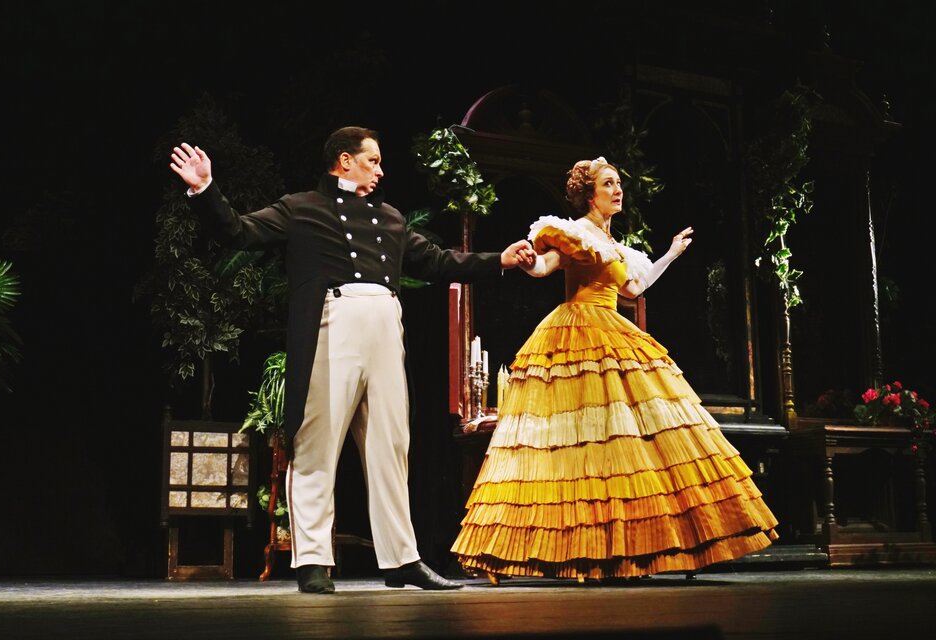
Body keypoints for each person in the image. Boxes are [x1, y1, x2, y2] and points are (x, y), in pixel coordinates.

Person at [170, 126, 535, 594]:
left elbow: (439, 261)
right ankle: (313, 562)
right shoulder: (302, 208)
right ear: (345, 160)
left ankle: (401, 559)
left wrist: (500, 260)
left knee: (391, 445)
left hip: (385, 327)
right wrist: (204, 189)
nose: (380, 171)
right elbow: (238, 232)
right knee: (317, 442)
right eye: (372, 161)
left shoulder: (390, 218)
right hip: (334, 325)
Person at [451, 157, 778, 581]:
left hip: (613, 330)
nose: (617, 189)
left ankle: (625, 550)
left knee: (625, 443)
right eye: (608, 183)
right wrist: (529, 260)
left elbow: (634, 288)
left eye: (619, 182)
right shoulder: (572, 232)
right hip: (575, 333)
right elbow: (544, 267)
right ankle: (558, 549)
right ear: (590, 195)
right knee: (573, 446)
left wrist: (671, 254)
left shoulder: (616, 247)